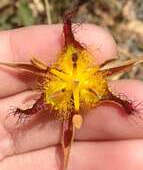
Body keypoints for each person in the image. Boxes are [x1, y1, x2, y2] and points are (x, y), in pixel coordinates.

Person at [0, 24, 143, 170]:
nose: (76, 82)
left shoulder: (97, 91)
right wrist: (30, 110)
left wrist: (121, 102)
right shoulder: (62, 91)